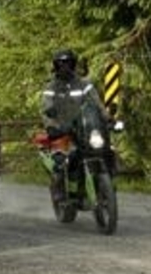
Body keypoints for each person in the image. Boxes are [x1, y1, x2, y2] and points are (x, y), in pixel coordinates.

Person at [41, 49, 112, 202]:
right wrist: (52, 126)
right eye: (61, 64)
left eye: (68, 63)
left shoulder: (84, 84)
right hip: (61, 130)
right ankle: (59, 190)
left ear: (73, 64)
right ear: (56, 66)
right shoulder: (51, 87)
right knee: (62, 160)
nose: (64, 67)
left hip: (83, 128)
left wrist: (107, 119)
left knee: (106, 149)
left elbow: (97, 104)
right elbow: (46, 110)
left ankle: (107, 184)